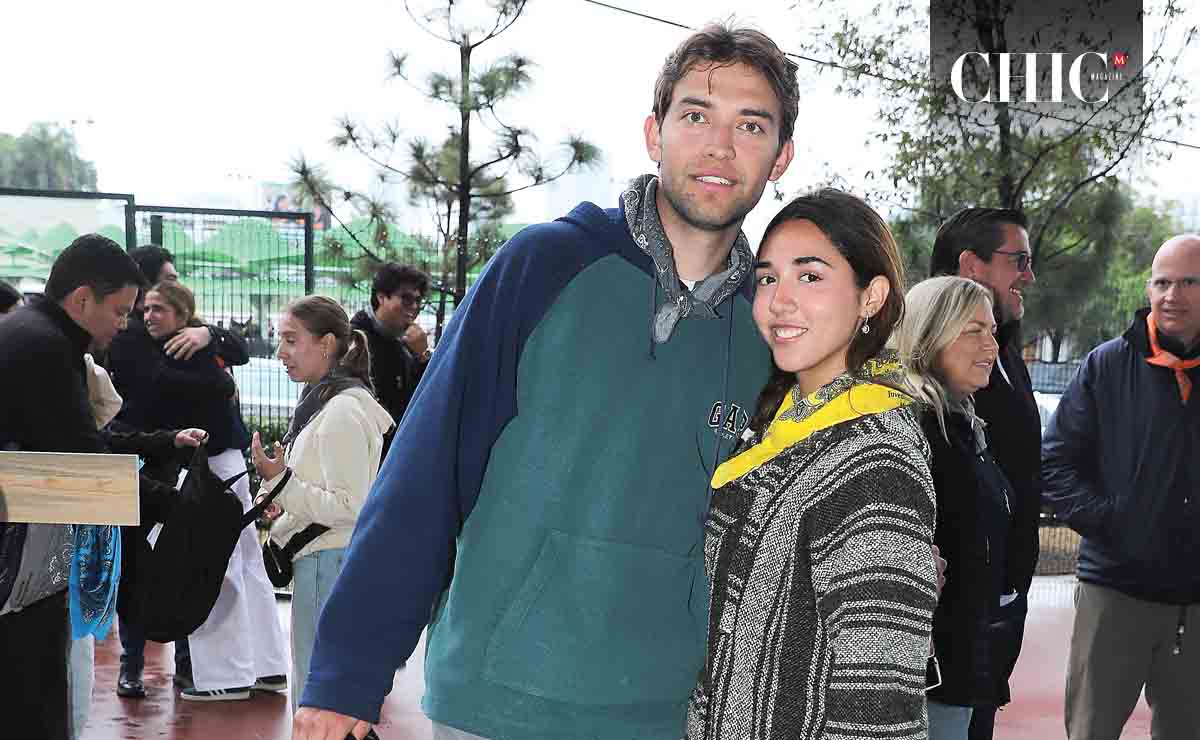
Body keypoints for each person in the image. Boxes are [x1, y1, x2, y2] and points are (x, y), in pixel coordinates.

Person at [293, 24, 797, 740]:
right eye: (696, 116)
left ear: (781, 157)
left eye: (751, 126)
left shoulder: (770, 331)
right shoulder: (544, 266)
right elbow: (426, 470)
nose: (720, 146)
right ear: (655, 133)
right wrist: (348, 670)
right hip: (499, 701)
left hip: (671, 711)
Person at [684, 190, 936, 740]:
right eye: (768, 278)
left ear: (871, 297)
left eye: (810, 277)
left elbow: (879, 702)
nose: (779, 302)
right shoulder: (783, 419)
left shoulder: (874, 460)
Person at [0, 234, 200, 739]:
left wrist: (161, 449)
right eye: (119, 310)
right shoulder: (43, 344)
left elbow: (88, 442)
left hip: (25, 547)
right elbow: (82, 459)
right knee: (33, 699)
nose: (124, 322)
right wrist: (178, 505)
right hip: (17, 561)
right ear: (81, 298)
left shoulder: (38, 332)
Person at [1042, 234, 1200, 739]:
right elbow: (1056, 462)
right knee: (1092, 730)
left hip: (1194, 603)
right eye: (1162, 282)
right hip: (1114, 590)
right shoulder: (1106, 365)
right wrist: (1113, 521)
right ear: (1148, 288)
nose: (1172, 295)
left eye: (1189, 282)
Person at [138, 281, 289, 702]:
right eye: (146, 308)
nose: (150, 315)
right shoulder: (196, 349)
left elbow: (227, 366)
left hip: (209, 467)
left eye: (159, 309)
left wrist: (211, 337)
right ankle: (265, 665)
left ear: (183, 316)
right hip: (224, 463)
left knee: (210, 564)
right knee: (240, 561)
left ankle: (227, 672)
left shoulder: (185, 352)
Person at [250, 296, 393, 714]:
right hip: (323, 560)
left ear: (327, 343)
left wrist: (280, 482)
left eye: (292, 340)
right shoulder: (327, 403)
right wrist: (278, 497)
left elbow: (351, 506)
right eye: (281, 340)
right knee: (323, 691)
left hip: (328, 561)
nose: (281, 352)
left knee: (317, 696)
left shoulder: (342, 410)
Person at [929, 208, 1040, 739]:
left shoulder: (1005, 357)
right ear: (970, 265)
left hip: (991, 612)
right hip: (943, 640)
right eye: (1018, 260)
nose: (1029, 275)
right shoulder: (910, 420)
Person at [894, 276, 1015, 739]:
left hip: (960, 662)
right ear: (929, 334)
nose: (991, 344)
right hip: (919, 676)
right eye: (973, 331)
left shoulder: (963, 424)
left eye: (993, 331)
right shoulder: (911, 430)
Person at [350, 263, 431, 450]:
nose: (414, 307)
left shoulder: (406, 342)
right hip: (366, 450)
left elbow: (422, 398)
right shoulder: (356, 339)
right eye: (406, 299)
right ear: (381, 297)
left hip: (397, 449)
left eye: (418, 301)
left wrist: (423, 356)